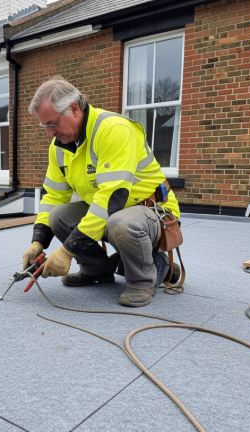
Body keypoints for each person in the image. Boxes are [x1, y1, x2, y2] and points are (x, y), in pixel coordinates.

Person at [22, 76, 181, 307]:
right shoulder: (59, 147)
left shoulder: (113, 130)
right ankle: (97, 270)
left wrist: (67, 251)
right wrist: (38, 241)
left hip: (149, 211)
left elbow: (112, 199)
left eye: (52, 123)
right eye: (45, 126)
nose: (49, 133)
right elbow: (53, 196)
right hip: (113, 211)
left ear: (74, 109)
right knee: (58, 215)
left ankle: (143, 280)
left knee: (120, 222)